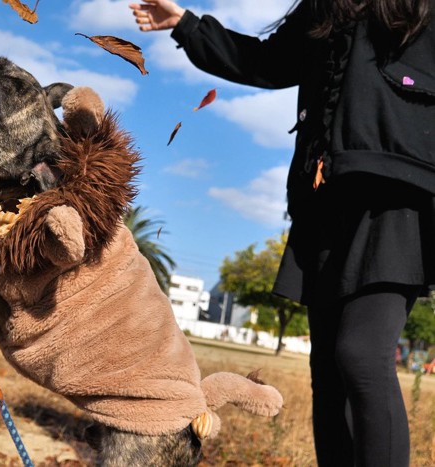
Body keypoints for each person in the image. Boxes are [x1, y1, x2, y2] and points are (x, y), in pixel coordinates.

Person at [129, 1, 435, 466]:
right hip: (324, 197)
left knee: (360, 354)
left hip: (396, 195)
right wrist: (186, 25)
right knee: (327, 371)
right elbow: (266, 62)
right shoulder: (326, 5)